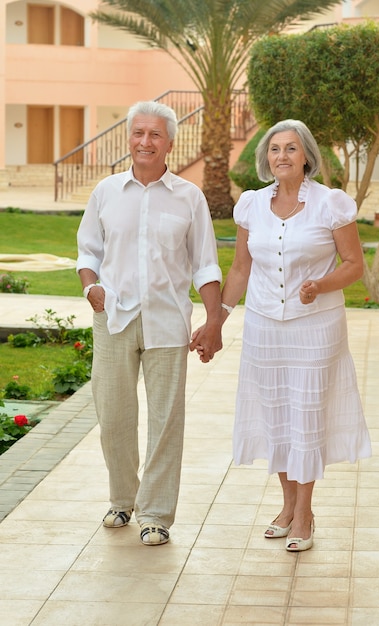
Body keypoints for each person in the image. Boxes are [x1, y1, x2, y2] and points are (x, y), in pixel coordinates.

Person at [196, 119, 371, 551]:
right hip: (263, 328)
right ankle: (287, 505)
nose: (282, 156)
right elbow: (240, 268)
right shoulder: (252, 205)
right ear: (266, 158)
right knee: (276, 413)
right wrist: (216, 320)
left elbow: (354, 264)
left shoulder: (331, 204)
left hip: (316, 327)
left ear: (307, 155)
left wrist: (321, 285)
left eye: (291, 148)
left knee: (306, 412)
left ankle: (305, 513)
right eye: (275, 149)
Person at [76, 100, 222, 546]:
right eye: (138, 133)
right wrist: (91, 289)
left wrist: (214, 320)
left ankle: (155, 514)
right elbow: (88, 252)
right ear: (129, 139)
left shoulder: (189, 197)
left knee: (165, 421)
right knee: (114, 416)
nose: (145, 141)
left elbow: (205, 265)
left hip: (167, 321)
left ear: (169, 144)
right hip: (114, 319)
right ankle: (123, 500)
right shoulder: (105, 192)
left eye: (155, 135)